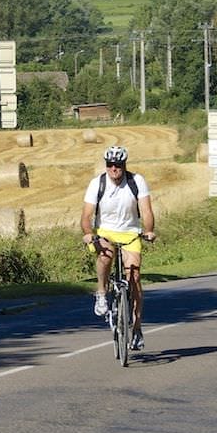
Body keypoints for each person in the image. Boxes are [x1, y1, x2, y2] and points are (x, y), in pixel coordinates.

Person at [79, 145, 156, 350]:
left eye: (118, 165)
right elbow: (86, 215)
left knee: (135, 276)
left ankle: (137, 328)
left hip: (131, 233)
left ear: (124, 166)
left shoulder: (136, 181)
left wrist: (148, 230)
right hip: (105, 232)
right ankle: (102, 293)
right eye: (110, 165)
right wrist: (88, 233)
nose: (114, 169)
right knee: (105, 255)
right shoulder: (97, 183)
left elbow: (146, 211)